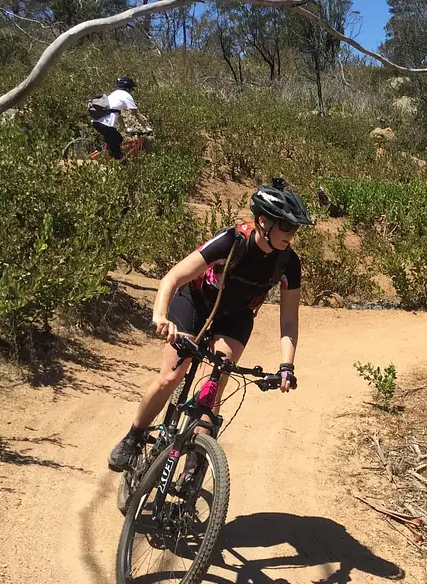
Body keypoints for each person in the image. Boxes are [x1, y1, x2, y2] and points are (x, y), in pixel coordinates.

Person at [107, 178, 314, 472]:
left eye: (295, 229)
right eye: (287, 226)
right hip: (195, 302)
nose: (292, 235)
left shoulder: (288, 263)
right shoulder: (232, 241)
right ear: (264, 221)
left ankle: (197, 458)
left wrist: (286, 366)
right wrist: (161, 316)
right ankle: (133, 437)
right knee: (171, 376)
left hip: (237, 315)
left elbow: (289, 320)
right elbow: (173, 277)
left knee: (214, 384)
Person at [91, 76, 151, 161]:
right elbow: (135, 114)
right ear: (128, 88)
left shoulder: (114, 94)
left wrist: (125, 128)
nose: (132, 91)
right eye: (132, 89)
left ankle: (109, 155)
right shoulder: (126, 95)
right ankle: (115, 162)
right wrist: (146, 128)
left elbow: (118, 115)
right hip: (106, 124)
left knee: (117, 139)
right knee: (117, 145)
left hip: (96, 122)